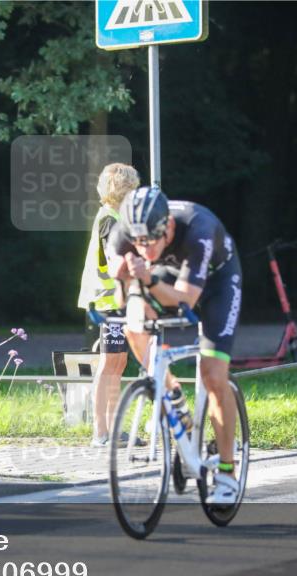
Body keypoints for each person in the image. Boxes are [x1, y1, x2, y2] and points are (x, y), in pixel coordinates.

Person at [106, 185, 243, 504]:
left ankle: (227, 472)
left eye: (150, 241)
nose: (144, 249)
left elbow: (186, 301)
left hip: (216, 282)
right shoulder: (121, 235)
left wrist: (148, 279)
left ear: (167, 228)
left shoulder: (199, 229)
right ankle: (174, 398)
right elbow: (121, 299)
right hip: (168, 274)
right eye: (138, 242)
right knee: (134, 324)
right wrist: (123, 280)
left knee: (212, 374)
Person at [77, 163, 140, 446]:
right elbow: (114, 258)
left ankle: (113, 429)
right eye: (132, 188)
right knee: (109, 363)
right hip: (108, 300)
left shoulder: (115, 217)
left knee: (118, 362)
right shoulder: (109, 219)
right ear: (123, 190)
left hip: (117, 299)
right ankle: (100, 431)